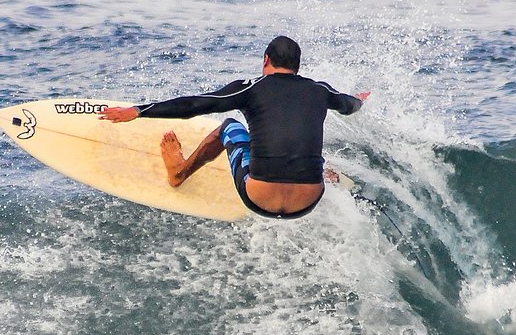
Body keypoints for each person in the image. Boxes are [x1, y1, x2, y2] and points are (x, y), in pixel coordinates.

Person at [99, 36, 368, 219]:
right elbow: (349, 105)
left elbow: (195, 105)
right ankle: (332, 177)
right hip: (307, 203)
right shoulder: (319, 90)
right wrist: (359, 100)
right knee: (303, 147)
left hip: (259, 198)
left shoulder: (251, 88)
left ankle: (179, 173)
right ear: (297, 67)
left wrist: (139, 110)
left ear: (265, 60)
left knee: (229, 126)